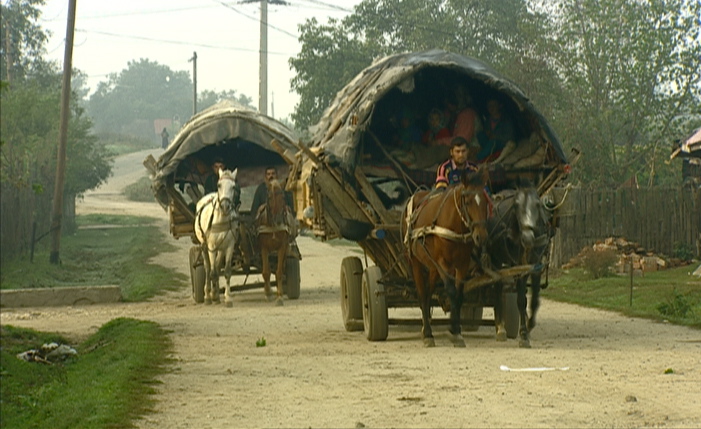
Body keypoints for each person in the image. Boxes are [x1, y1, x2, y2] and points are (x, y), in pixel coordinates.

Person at [432, 85, 483, 149]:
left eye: (450, 102)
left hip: (472, 151)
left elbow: (461, 140)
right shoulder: (455, 115)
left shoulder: (467, 114)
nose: (448, 106)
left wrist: (438, 142)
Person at [475, 98, 515, 163]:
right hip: (489, 143)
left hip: (500, 143)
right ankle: (486, 153)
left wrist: (495, 136)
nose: (491, 108)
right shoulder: (488, 120)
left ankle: (478, 157)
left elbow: (510, 136)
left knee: (493, 143)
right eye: (489, 106)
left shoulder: (505, 120)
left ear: (500, 106)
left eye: (494, 106)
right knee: (480, 135)